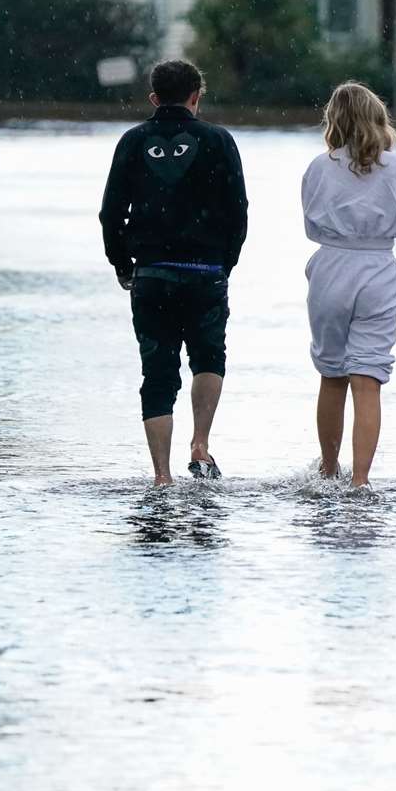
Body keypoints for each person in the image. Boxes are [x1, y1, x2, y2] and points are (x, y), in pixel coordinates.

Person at [100, 59, 248, 486]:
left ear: (153, 98)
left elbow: (111, 213)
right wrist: (225, 264)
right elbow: (238, 212)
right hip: (205, 272)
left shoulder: (132, 141)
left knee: (158, 373)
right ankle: (200, 444)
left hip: (152, 276)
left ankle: (162, 475)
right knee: (208, 358)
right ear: (196, 96)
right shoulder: (219, 141)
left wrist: (123, 264)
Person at [302, 82, 396, 488]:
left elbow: (311, 223)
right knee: (368, 380)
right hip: (379, 266)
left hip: (331, 265)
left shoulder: (318, 166)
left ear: (334, 120)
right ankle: (361, 480)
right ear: (377, 117)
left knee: (332, 375)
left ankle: (329, 470)